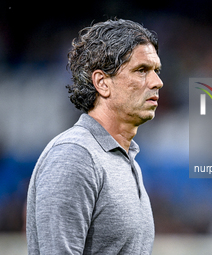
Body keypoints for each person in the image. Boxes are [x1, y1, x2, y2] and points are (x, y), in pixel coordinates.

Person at [26, 19, 163, 254]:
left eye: (156, 71)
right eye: (141, 71)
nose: (157, 82)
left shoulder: (125, 158)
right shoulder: (74, 155)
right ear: (102, 82)